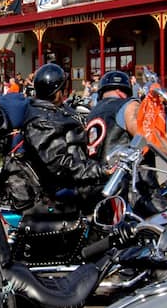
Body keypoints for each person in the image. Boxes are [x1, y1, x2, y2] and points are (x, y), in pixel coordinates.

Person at [84, 71, 167, 215]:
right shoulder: (128, 104)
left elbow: (135, 136)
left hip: (103, 191)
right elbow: (148, 138)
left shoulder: (92, 113)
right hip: (136, 194)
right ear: (122, 91)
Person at [20, 64, 111, 210]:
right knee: (113, 193)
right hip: (60, 186)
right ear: (57, 91)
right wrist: (100, 170)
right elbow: (59, 164)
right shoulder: (40, 121)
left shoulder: (55, 108)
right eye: (63, 88)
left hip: (77, 176)